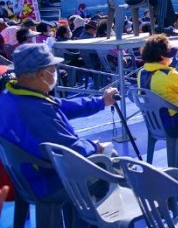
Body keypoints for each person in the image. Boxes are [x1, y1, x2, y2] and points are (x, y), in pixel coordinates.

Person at [0, 44, 118, 197]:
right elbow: (72, 150)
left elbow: (59, 106)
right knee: (113, 159)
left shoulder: (12, 95)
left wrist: (101, 102)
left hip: (27, 175)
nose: (56, 73)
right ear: (42, 74)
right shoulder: (34, 111)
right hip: (50, 180)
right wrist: (95, 147)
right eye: (53, 68)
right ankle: (117, 215)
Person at [137, 34, 178, 168]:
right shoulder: (170, 75)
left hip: (155, 124)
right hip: (175, 124)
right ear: (162, 57)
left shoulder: (142, 72)